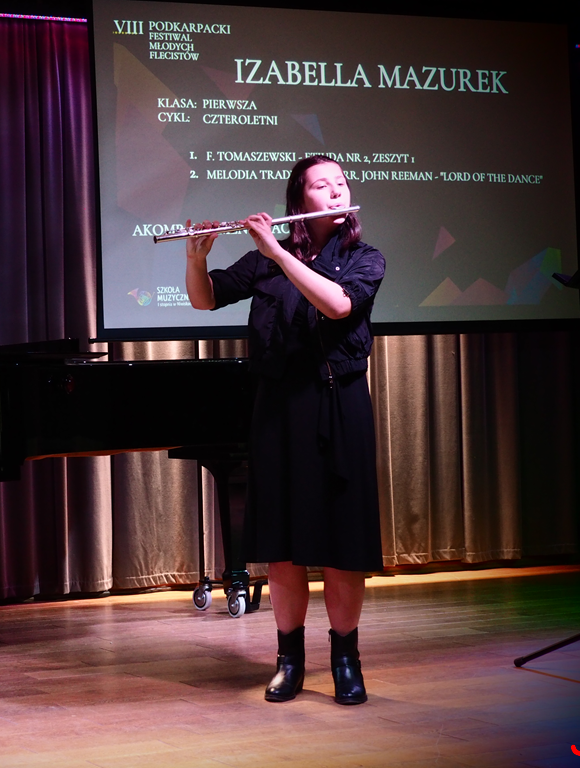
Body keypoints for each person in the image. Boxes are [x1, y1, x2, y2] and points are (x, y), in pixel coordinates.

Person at [185, 156, 385, 705]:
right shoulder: (264, 261)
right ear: (300, 200)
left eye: (341, 183)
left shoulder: (365, 258)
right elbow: (204, 298)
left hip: (339, 405)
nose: (337, 190)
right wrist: (196, 257)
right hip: (278, 409)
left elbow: (338, 305)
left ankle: (346, 661)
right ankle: (289, 660)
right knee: (283, 547)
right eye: (323, 184)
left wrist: (277, 252)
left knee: (343, 544)